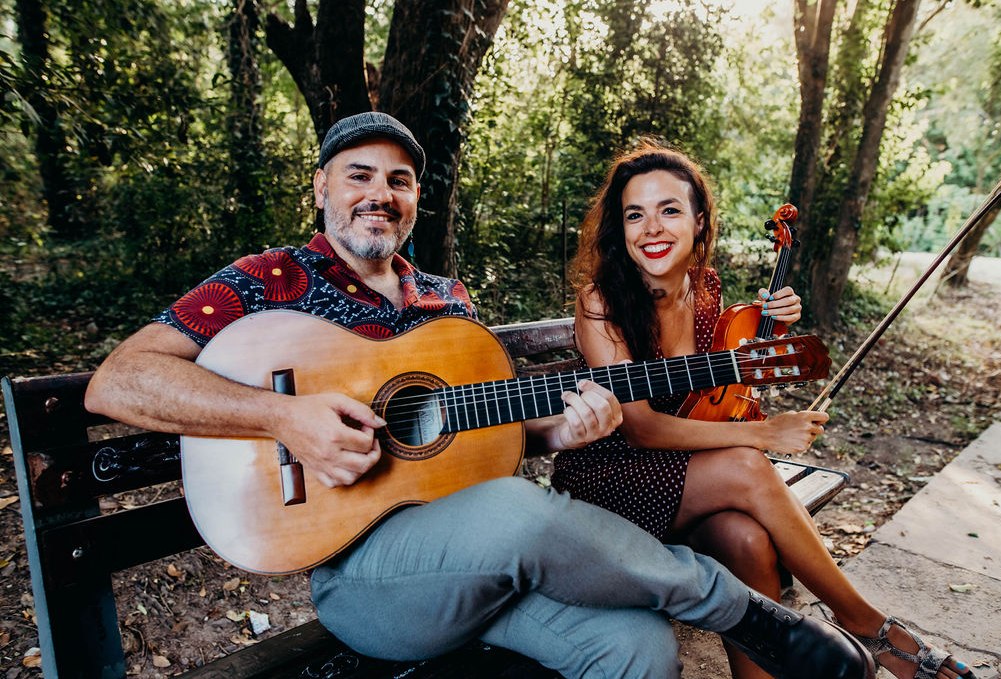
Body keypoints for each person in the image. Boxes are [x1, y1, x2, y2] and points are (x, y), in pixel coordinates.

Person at [85, 112, 874, 679]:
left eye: (400, 179)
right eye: (359, 174)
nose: (379, 193)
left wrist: (565, 428)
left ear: (416, 198)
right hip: (368, 579)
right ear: (322, 184)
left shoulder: (443, 300)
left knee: (639, 648)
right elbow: (118, 380)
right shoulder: (269, 282)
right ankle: (738, 608)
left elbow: (495, 429)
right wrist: (282, 414)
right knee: (517, 511)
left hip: (485, 565)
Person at [552, 139, 977, 679]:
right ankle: (872, 629)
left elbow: (722, 393)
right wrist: (764, 435)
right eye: (635, 214)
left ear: (700, 222)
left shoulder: (704, 289)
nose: (651, 228)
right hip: (610, 482)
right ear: (621, 227)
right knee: (750, 464)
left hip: (683, 483)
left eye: (669, 210)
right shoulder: (602, 302)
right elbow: (640, 428)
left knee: (748, 541)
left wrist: (770, 326)